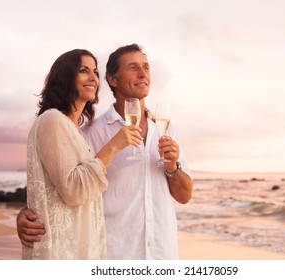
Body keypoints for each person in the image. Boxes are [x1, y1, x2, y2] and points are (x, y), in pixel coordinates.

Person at [17, 44, 193, 259]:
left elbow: (184, 196)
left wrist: (172, 167)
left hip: (162, 253)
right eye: (133, 68)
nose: (142, 74)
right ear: (112, 79)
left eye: (146, 68)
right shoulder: (89, 133)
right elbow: (60, 184)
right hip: (113, 253)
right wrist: (27, 214)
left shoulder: (166, 129)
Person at [23, 49, 142, 259]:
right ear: (66, 77)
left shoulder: (75, 129)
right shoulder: (53, 120)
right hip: (61, 251)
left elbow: (53, 188)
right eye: (83, 70)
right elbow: (73, 190)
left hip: (79, 248)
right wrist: (113, 146)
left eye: (95, 72)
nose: (93, 78)